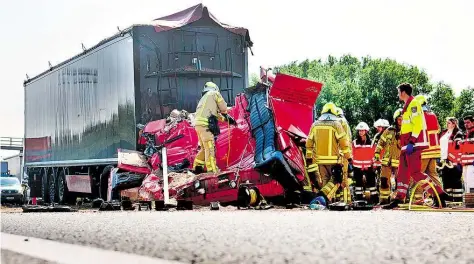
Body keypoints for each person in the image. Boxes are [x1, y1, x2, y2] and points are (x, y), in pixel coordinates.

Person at [383, 83, 448, 209]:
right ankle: (399, 198)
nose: (398, 94)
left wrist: (412, 141)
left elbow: (417, 124)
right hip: (406, 144)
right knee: (402, 173)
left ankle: (439, 193)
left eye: (398, 92)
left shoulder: (414, 104)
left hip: (413, 144)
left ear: (403, 92)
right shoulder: (407, 105)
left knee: (415, 172)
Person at [306, 102, 353, 205]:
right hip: (334, 160)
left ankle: (324, 203)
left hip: (319, 160)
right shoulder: (336, 124)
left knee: (325, 180)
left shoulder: (315, 124)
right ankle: (322, 195)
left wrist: (309, 157)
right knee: (337, 179)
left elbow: (309, 142)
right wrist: (349, 157)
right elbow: (344, 143)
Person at [192, 82, 236, 173]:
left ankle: (197, 167)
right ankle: (212, 170)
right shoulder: (214, 93)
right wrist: (225, 112)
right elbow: (223, 108)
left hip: (198, 125)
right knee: (210, 148)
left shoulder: (204, 99)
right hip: (205, 126)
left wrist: (227, 120)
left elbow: (216, 115)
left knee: (204, 148)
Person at [411, 94, 443, 203]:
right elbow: (438, 130)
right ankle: (440, 198)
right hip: (434, 151)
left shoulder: (420, 116)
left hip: (423, 151)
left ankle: (418, 198)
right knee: (433, 174)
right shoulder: (433, 115)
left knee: (419, 174)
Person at [374, 109, 402, 204]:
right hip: (387, 161)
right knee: (384, 180)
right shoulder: (389, 130)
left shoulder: (406, 130)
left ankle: (399, 199)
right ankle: (384, 200)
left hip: (399, 161)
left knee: (401, 181)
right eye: (399, 119)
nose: (400, 121)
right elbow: (381, 142)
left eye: (402, 119)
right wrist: (377, 153)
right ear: (395, 119)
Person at [439, 117, 464, 202]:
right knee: (446, 180)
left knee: (455, 180)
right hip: (443, 160)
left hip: (454, 160)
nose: (447, 124)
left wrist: (453, 159)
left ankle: (457, 201)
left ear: (454, 124)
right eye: (447, 122)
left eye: (449, 123)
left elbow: (458, 148)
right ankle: (448, 200)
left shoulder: (458, 133)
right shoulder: (443, 133)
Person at [352, 122, 378, 203]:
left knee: (372, 183)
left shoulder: (371, 143)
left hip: (369, 166)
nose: (360, 132)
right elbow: (352, 153)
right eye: (359, 131)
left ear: (366, 131)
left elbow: (374, 154)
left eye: (362, 131)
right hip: (357, 166)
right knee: (358, 184)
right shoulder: (354, 142)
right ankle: (359, 199)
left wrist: (374, 165)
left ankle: (374, 199)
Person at [460, 115, 474, 197]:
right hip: (465, 163)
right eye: (465, 123)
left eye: (468, 122)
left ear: (473, 122)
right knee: (466, 182)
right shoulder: (466, 133)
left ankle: (472, 201)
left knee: (471, 181)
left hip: (472, 162)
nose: (466, 124)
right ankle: (469, 201)